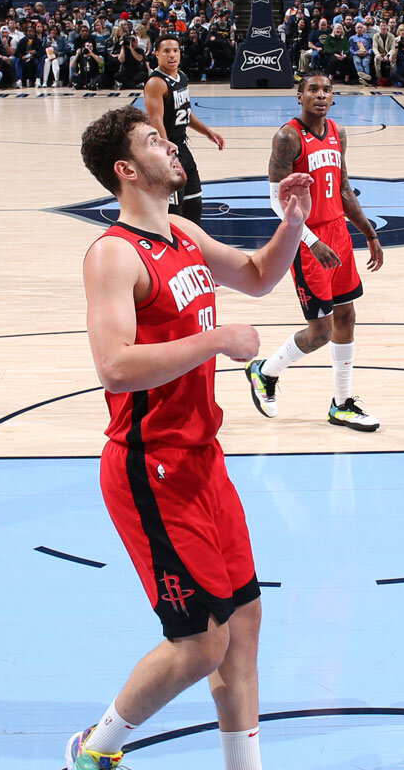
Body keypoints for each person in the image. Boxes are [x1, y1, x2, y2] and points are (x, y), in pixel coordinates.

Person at [68, 106, 314, 770]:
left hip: (204, 460)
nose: (170, 144)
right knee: (201, 644)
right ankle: (94, 753)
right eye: (153, 141)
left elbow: (260, 276)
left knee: (245, 621)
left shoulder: (179, 231)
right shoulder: (112, 256)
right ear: (125, 171)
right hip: (151, 470)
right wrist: (215, 339)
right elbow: (114, 367)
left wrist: (291, 225)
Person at [244, 71, 385, 432]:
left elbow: (344, 188)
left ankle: (341, 404)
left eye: (326, 90)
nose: (320, 95)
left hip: (337, 233)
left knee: (347, 317)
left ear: (333, 97)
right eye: (313, 90)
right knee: (320, 331)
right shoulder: (287, 137)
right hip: (307, 240)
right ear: (299, 96)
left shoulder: (338, 133)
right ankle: (266, 371)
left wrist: (368, 233)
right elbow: (276, 200)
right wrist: (309, 240)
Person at [143, 36, 224, 222]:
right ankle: (174, 249)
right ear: (156, 54)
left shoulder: (181, 77)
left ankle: (192, 247)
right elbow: (156, 119)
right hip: (167, 151)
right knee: (174, 211)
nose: (172, 55)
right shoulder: (156, 83)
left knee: (194, 204)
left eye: (175, 50)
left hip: (183, 148)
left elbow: (185, 112)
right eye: (166, 51)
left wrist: (207, 132)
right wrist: (168, 153)